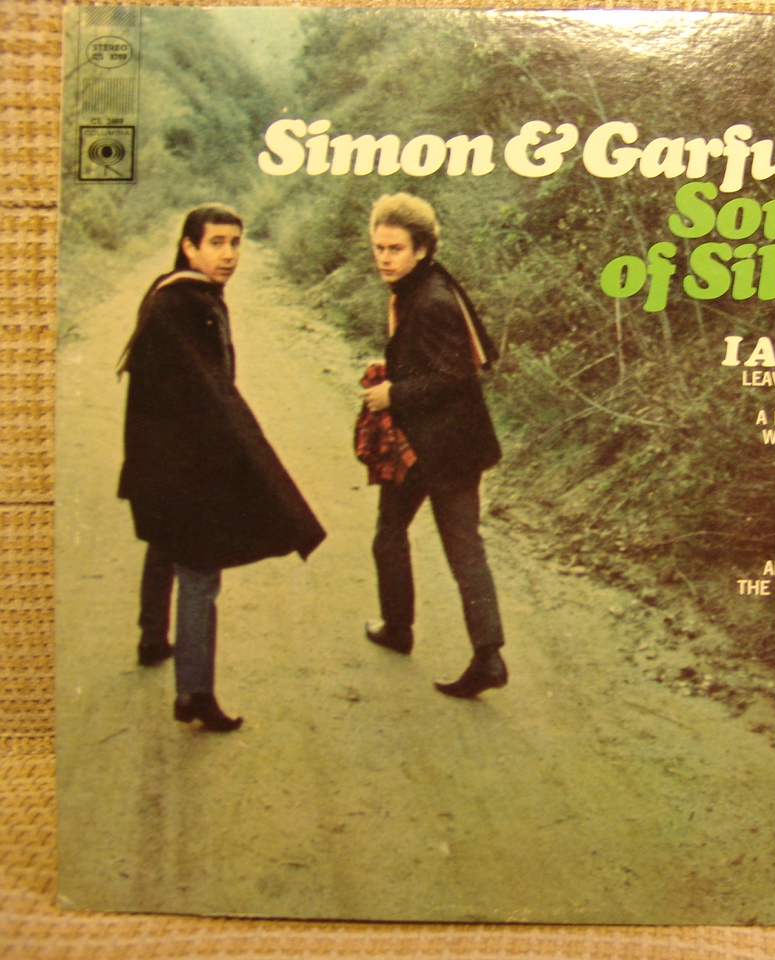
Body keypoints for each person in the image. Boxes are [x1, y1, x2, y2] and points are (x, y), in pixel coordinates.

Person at [118, 203, 326, 730]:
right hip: (180, 462)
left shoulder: (175, 293)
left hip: (157, 459)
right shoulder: (184, 305)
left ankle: (152, 638)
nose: (229, 254)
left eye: (235, 243)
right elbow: (213, 398)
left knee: (164, 539)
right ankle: (194, 694)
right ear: (189, 247)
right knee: (200, 573)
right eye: (216, 243)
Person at [360, 193, 507, 698]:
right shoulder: (422, 286)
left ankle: (405, 632)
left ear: (421, 249)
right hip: (445, 443)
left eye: (395, 249)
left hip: (438, 447)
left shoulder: (432, 300)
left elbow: (456, 376)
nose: (384, 258)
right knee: (452, 547)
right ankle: (480, 654)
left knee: (406, 537)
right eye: (379, 248)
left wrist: (393, 394)